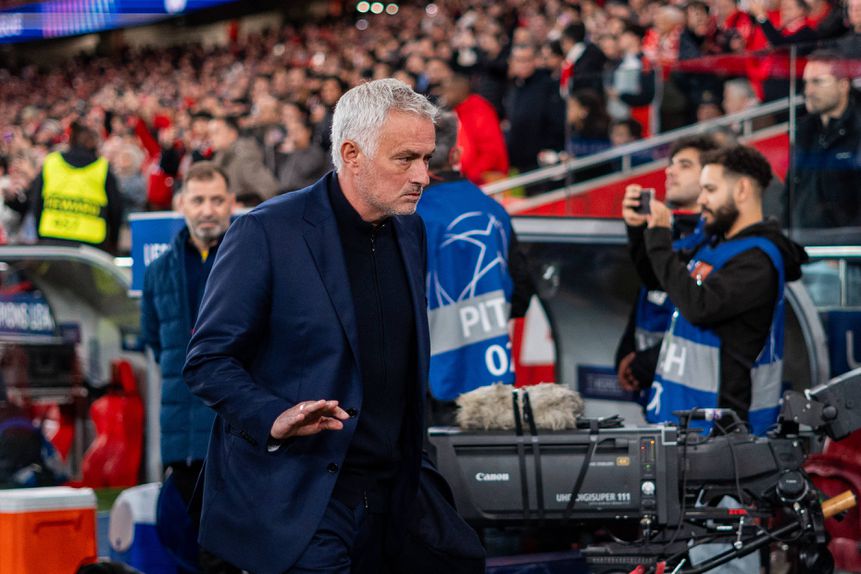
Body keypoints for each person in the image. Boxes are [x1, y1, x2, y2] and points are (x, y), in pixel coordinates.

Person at [184, 79, 480, 574]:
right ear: (352, 154)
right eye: (405, 159)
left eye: (427, 159)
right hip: (300, 499)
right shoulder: (265, 232)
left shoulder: (411, 228)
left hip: (395, 495)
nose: (423, 176)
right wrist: (273, 416)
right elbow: (208, 361)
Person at [622, 145, 807, 435]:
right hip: (685, 421)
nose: (702, 199)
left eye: (710, 189)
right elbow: (661, 280)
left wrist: (660, 237)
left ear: (742, 190)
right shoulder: (717, 244)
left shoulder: (757, 260)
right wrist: (639, 231)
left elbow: (699, 307)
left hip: (723, 433)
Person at [140, 162, 236, 572]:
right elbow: (155, 341)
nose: (208, 210)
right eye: (198, 200)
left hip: (235, 434)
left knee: (229, 550)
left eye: (217, 200)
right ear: (181, 204)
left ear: (231, 203)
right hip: (183, 441)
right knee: (192, 548)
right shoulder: (159, 271)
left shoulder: (248, 259)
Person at [416, 112, 534, 425]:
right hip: (491, 379)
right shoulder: (493, 209)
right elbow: (523, 290)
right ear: (456, 154)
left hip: (428, 382)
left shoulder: (408, 212)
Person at [615, 135, 720, 398]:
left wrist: (647, 363)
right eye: (671, 164)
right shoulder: (666, 229)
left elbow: (695, 310)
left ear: (710, 178)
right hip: (654, 386)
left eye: (684, 165)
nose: (670, 171)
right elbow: (650, 286)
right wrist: (628, 353)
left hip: (694, 391)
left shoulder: (718, 238)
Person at [788, 49, 861, 231]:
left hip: (845, 252)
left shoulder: (857, 131)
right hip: (803, 246)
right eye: (806, 83)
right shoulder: (803, 131)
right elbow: (790, 194)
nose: (808, 91)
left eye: (818, 82)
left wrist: (845, 250)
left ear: (843, 85)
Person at [30, 123, 122, 254]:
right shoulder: (103, 168)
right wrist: (113, 243)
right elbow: (116, 210)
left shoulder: (51, 161)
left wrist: (40, 235)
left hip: (52, 238)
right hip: (91, 245)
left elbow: (36, 203)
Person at [208, 115, 279, 205]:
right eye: (209, 133)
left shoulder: (244, 156)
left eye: (216, 132)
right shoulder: (220, 156)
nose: (210, 138)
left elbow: (269, 189)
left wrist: (247, 206)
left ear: (232, 133)